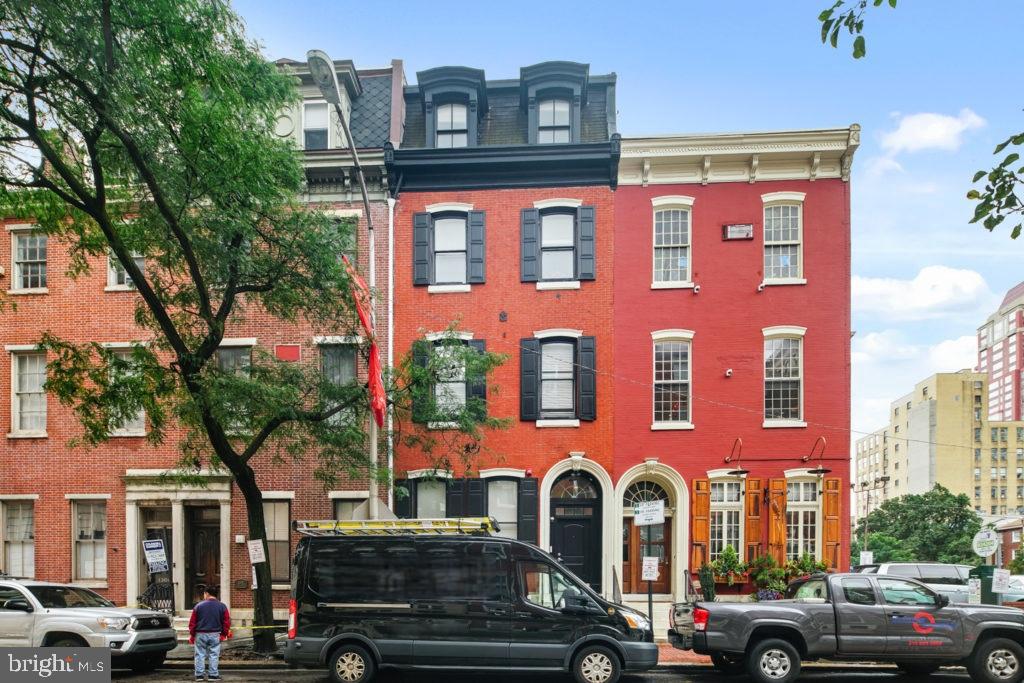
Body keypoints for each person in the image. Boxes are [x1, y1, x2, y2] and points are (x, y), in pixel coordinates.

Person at [188, 586, 231, 681]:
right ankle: (213, 675)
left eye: (204, 593)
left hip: (200, 633)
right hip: (215, 633)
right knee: (214, 654)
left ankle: (199, 675)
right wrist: (224, 634)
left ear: (207, 593)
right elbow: (226, 622)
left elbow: (192, 623)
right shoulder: (222, 606)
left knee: (199, 654)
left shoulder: (198, 606)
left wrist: (192, 634)